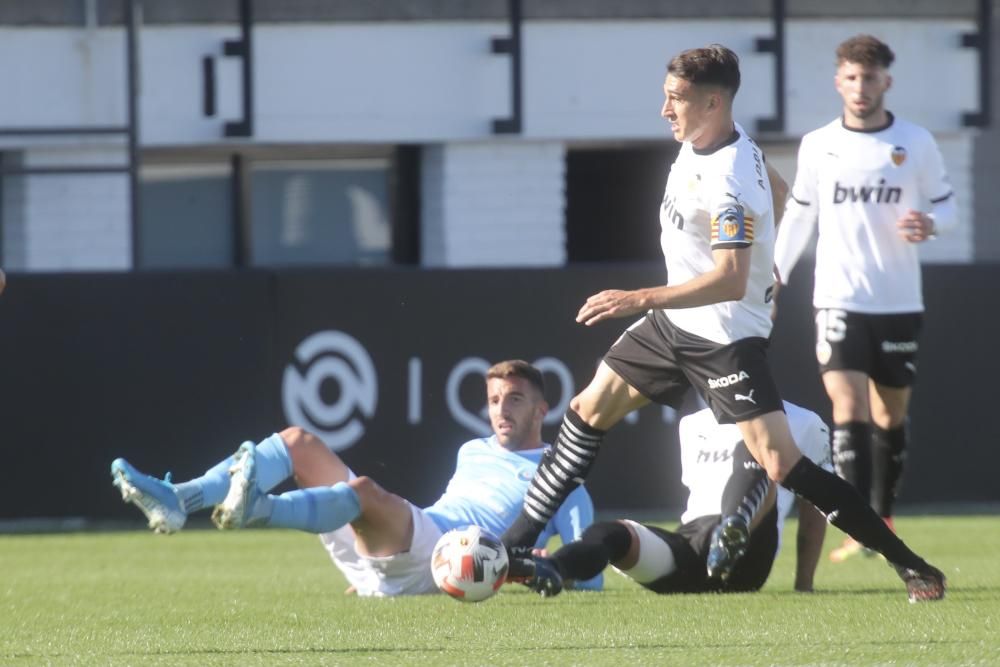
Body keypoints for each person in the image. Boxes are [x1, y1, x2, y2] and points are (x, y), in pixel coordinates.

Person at [501, 44, 945, 602]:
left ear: (713, 102)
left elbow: (731, 278)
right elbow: (785, 199)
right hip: (672, 326)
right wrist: (774, 270)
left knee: (782, 463)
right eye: (665, 96)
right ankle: (515, 544)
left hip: (724, 340)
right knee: (589, 409)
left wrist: (643, 296)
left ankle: (912, 565)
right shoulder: (705, 143)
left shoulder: (730, 178)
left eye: (676, 99)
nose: (665, 110)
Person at [110, 359, 601, 597]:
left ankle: (256, 509)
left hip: (450, 558)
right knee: (299, 441)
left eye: (514, 399)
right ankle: (181, 498)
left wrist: (547, 564)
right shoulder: (471, 450)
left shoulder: (563, 477)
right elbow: (450, 510)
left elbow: (591, 577)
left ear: (542, 408)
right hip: (414, 544)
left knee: (363, 493)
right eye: (494, 400)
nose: (501, 409)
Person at [773, 35, 957, 564]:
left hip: (897, 301)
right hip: (837, 296)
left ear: (886, 82)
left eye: (870, 78)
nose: (860, 87)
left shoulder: (914, 142)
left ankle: (884, 509)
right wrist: (779, 271)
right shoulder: (818, 144)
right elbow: (802, 214)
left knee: (890, 414)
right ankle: (860, 525)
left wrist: (931, 223)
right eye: (851, 78)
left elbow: (948, 207)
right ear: (838, 82)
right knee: (846, 406)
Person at [528, 401, 829, 596]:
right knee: (610, 533)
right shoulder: (693, 424)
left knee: (755, 445)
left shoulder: (803, 421)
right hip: (690, 548)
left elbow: (814, 505)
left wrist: (804, 585)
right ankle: (556, 569)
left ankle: (731, 533)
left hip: (749, 550)